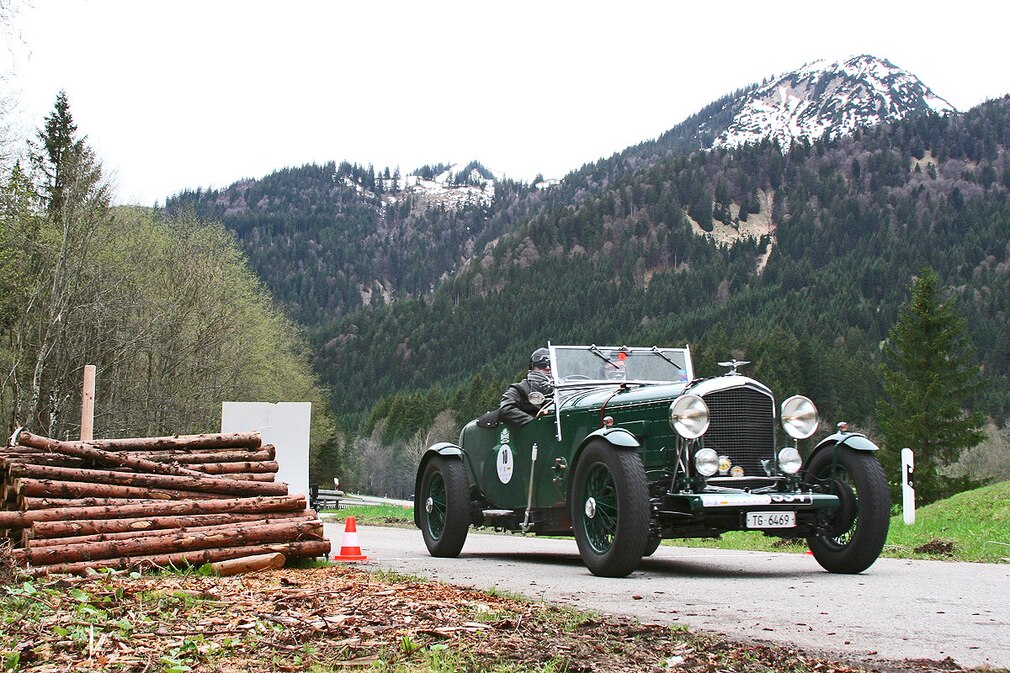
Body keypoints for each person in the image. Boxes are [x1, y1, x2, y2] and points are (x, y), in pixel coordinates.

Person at [497, 347, 554, 426]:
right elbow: (506, 409)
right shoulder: (520, 389)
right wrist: (534, 424)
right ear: (532, 368)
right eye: (542, 365)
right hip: (532, 436)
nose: (548, 368)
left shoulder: (561, 387)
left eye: (551, 365)